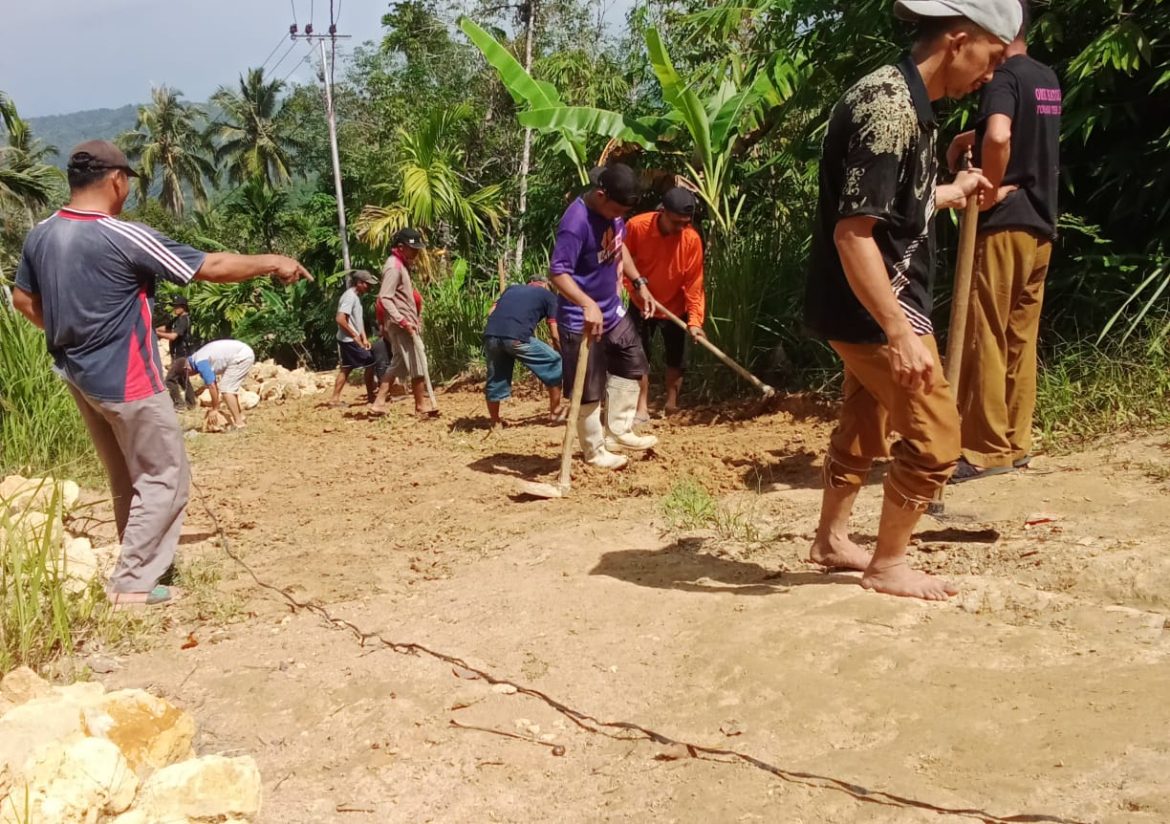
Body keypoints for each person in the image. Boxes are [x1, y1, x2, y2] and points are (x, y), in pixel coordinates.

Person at [11, 140, 311, 607]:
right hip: (127, 378)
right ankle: (132, 585)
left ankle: (143, 570)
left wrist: (74, 333)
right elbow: (208, 267)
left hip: (76, 375)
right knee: (165, 474)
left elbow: (23, 301)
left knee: (128, 477)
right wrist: (272, 262)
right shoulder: (122, 235)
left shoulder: (42, 235)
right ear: (116, 180)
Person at [802, 1, 1020, 600]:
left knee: (863, 420)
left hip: (869, 301)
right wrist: (898, 333)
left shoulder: (904, 100)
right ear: (958, 40)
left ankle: (831, 539)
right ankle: (888, 564)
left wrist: (949, 191)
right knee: (937, 438)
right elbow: (855, 233)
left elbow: (890, 208)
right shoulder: (891, 111)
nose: (990, 77)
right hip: (877, 308)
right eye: (992, 59)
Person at [947, 1, 1060, 482]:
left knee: (986, 332)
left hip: (1006, 222)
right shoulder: (1047, 78)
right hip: (1042, 225)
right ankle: (1015, 442)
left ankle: (984, 448)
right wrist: (963, 136)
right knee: (1020, 335)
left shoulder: (1003, 78)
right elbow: (1028, 127)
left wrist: (987, 190)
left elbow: (999, 136)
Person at [550, 162, 658, 470]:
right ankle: (595, 451)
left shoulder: (614, 213)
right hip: (579, 317)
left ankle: (620, 430)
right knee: (589, 390)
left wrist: (638, 283)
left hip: (611, 309)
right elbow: (557, 273)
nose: (618, 217)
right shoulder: (576, 222)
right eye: (615, 210)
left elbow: (619, 246)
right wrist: (586, 303)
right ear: (600, 195)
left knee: (633, 360)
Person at [622, 187, 706, 421]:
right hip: (642, 304)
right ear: (662, 212)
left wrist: (695, 321)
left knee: (676, 358)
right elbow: (621, 258)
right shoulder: (637, 227)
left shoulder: (691, 239)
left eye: (686, 223)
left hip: (675, 308)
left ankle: (671, 405)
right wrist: (637, 290)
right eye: (676, 222)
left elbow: (694, 284)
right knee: (639, 356)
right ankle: (641, 408)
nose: (681, 228)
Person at [483, 275, 563, 428]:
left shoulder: (511, 289)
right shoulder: (549, 296)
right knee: (554, 361)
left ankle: (495, 422)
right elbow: (554, 333)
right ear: (546, 285)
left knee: (496, 377)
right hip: (516, 338)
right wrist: (562, 352)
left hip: (491, 336)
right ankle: (555, 413)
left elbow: (491, 312)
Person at [371, 228, 435, 417]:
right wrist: (402, 320)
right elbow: (385, 297)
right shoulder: (393, 267)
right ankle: (421, 406)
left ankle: (379, 402)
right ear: (400, 247)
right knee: (417, 362)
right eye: (412, 248)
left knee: (398, 363)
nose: (415, 253)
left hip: (405, 323)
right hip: (401, 325)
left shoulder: (401, 265)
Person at [329, 269, 379, 407]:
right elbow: (340, 319)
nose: (369, 287)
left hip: (348, 338)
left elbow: (357, 321)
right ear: (359, 283)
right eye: (367, 284)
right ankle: (371, 396)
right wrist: (355, 336)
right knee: (370, 362)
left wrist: (364, 338)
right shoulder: (349, 297)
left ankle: (334, 399)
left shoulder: (355, 297)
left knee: (346, 368)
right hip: (348, 340)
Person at [186, 339, 256, 429]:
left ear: (187, 368)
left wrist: (215, 408)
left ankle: (239, 423)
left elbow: (212, 385)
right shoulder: (197, 357)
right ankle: (241, 417)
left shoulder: (200, 362)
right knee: (230, 388)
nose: (190, 376)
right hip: (242, 353)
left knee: (226, 389)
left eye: (188, 374)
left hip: (241, 356)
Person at [157, 295, 197, 410]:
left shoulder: (184, 320)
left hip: (182, 355)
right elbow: (166, 328)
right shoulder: (177, 319)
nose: (174, 308)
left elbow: (173, 336)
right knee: (182, 379)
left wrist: (156, 334)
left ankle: (179, 404)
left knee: (170, 379)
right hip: (177, 354)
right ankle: (191, 404)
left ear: (183, 307)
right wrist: (153, 328)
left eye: (177, 306)